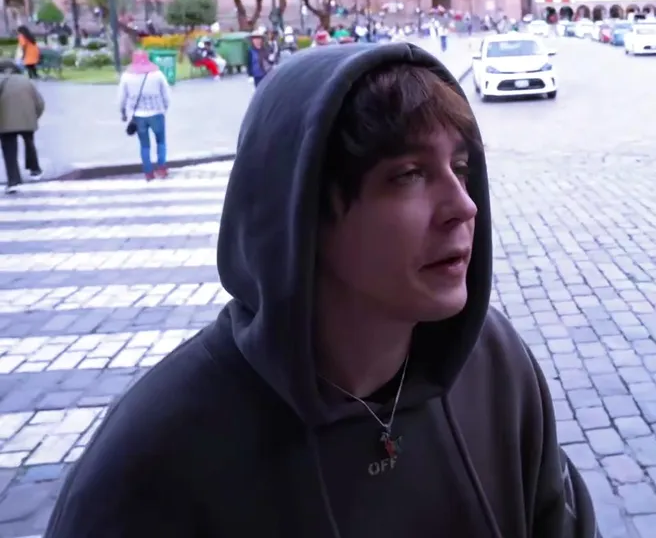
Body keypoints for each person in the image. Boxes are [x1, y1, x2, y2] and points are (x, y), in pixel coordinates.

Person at [46, 42, 598, 538]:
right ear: (302, 212)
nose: (464, 205)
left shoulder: (498, 366)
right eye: (409, 174)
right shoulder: (155, 459)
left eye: (460, 166)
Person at [117, 50, 172, 181]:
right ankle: (162, 168)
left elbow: (121, 97)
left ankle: (148, 172)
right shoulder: (157, 74)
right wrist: (164, 108)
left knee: (144, 145)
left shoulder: (126, 76)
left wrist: (123, 112)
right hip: (157, 113)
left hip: (138, 116)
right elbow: (166, 94)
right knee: (161, 142)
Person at [0, 59, 44, 192]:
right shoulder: (27, 81)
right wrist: (34, 117)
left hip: (5, 121)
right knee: (29, 143)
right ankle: (35, 170)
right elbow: (40, 103)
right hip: (28, 119)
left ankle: (13, 181)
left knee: (9, 150)